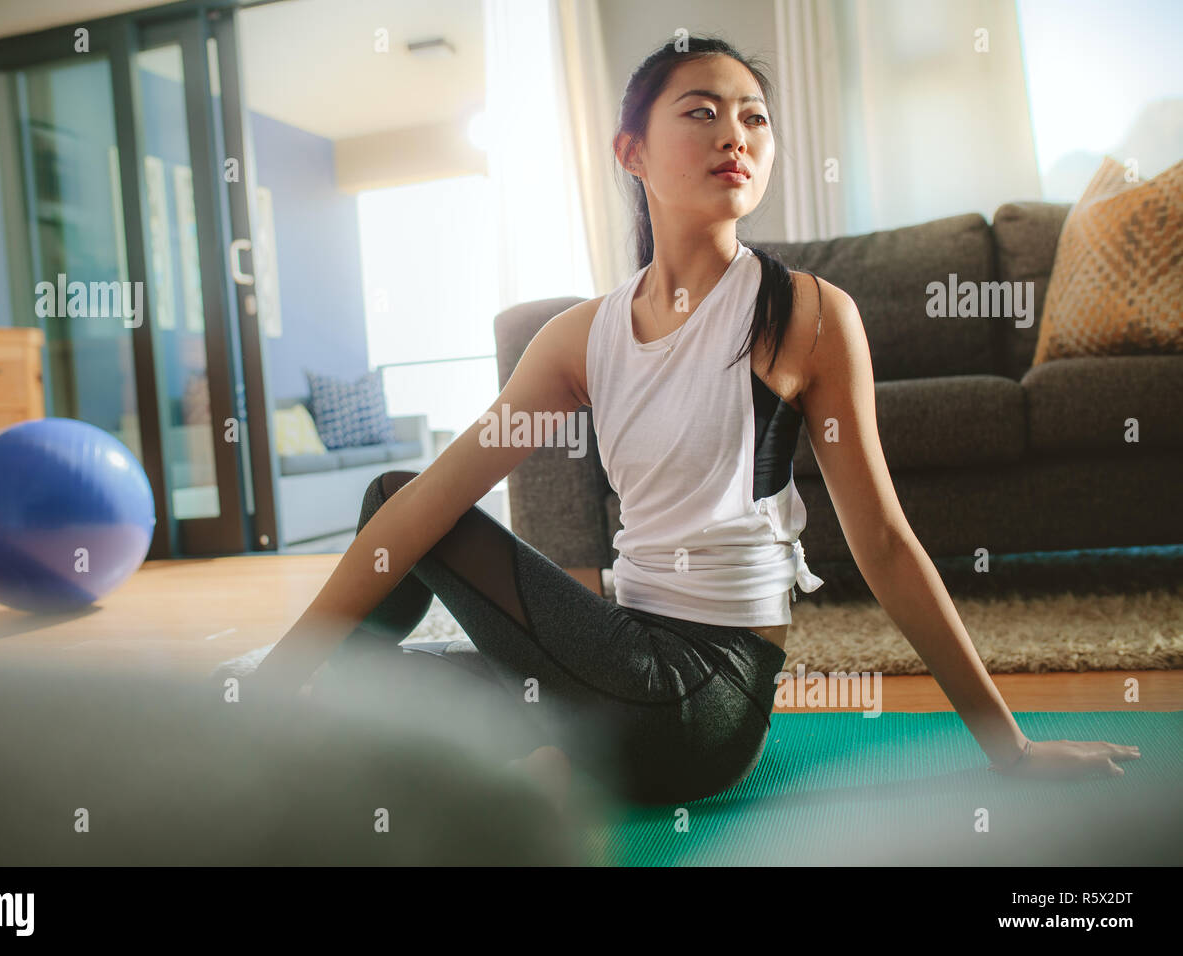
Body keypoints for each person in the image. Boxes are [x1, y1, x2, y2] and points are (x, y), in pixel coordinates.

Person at [250, 36, 1140, 807]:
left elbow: (886, 546)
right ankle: (508, 750)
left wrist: (1011, 749)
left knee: (397, 518)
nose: (735, 135)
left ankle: (481, 749)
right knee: (380, 614)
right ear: (630, 151)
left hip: (699, 701)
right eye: (704, 112)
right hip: (611, 664)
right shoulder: (578, 339)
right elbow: (421, 506)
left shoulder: (807, 312)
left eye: (754, 118)